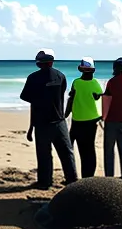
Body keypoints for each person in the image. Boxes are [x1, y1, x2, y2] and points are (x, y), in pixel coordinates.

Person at [20, 50, 78, 189]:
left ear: (38, 63)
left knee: (44, 154)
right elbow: (62, 92)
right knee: (66, 152)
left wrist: (31, 126)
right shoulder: (60, 76)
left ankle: (45, 182)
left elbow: (26, 97)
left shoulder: (33, 78)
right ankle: (72, 180)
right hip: (59, 120)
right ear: (51, 62)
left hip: (41, 122)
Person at [65, 57, 103, 178]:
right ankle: (87, 177)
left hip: (78, 120)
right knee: (89, 149)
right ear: (93, 71)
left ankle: (73, 176)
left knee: (72, 147)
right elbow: (99, 98)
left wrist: (65, 114)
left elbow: (71, 99)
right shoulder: (96, 83)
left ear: (81, 70)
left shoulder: (76, 82)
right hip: (92, 120)